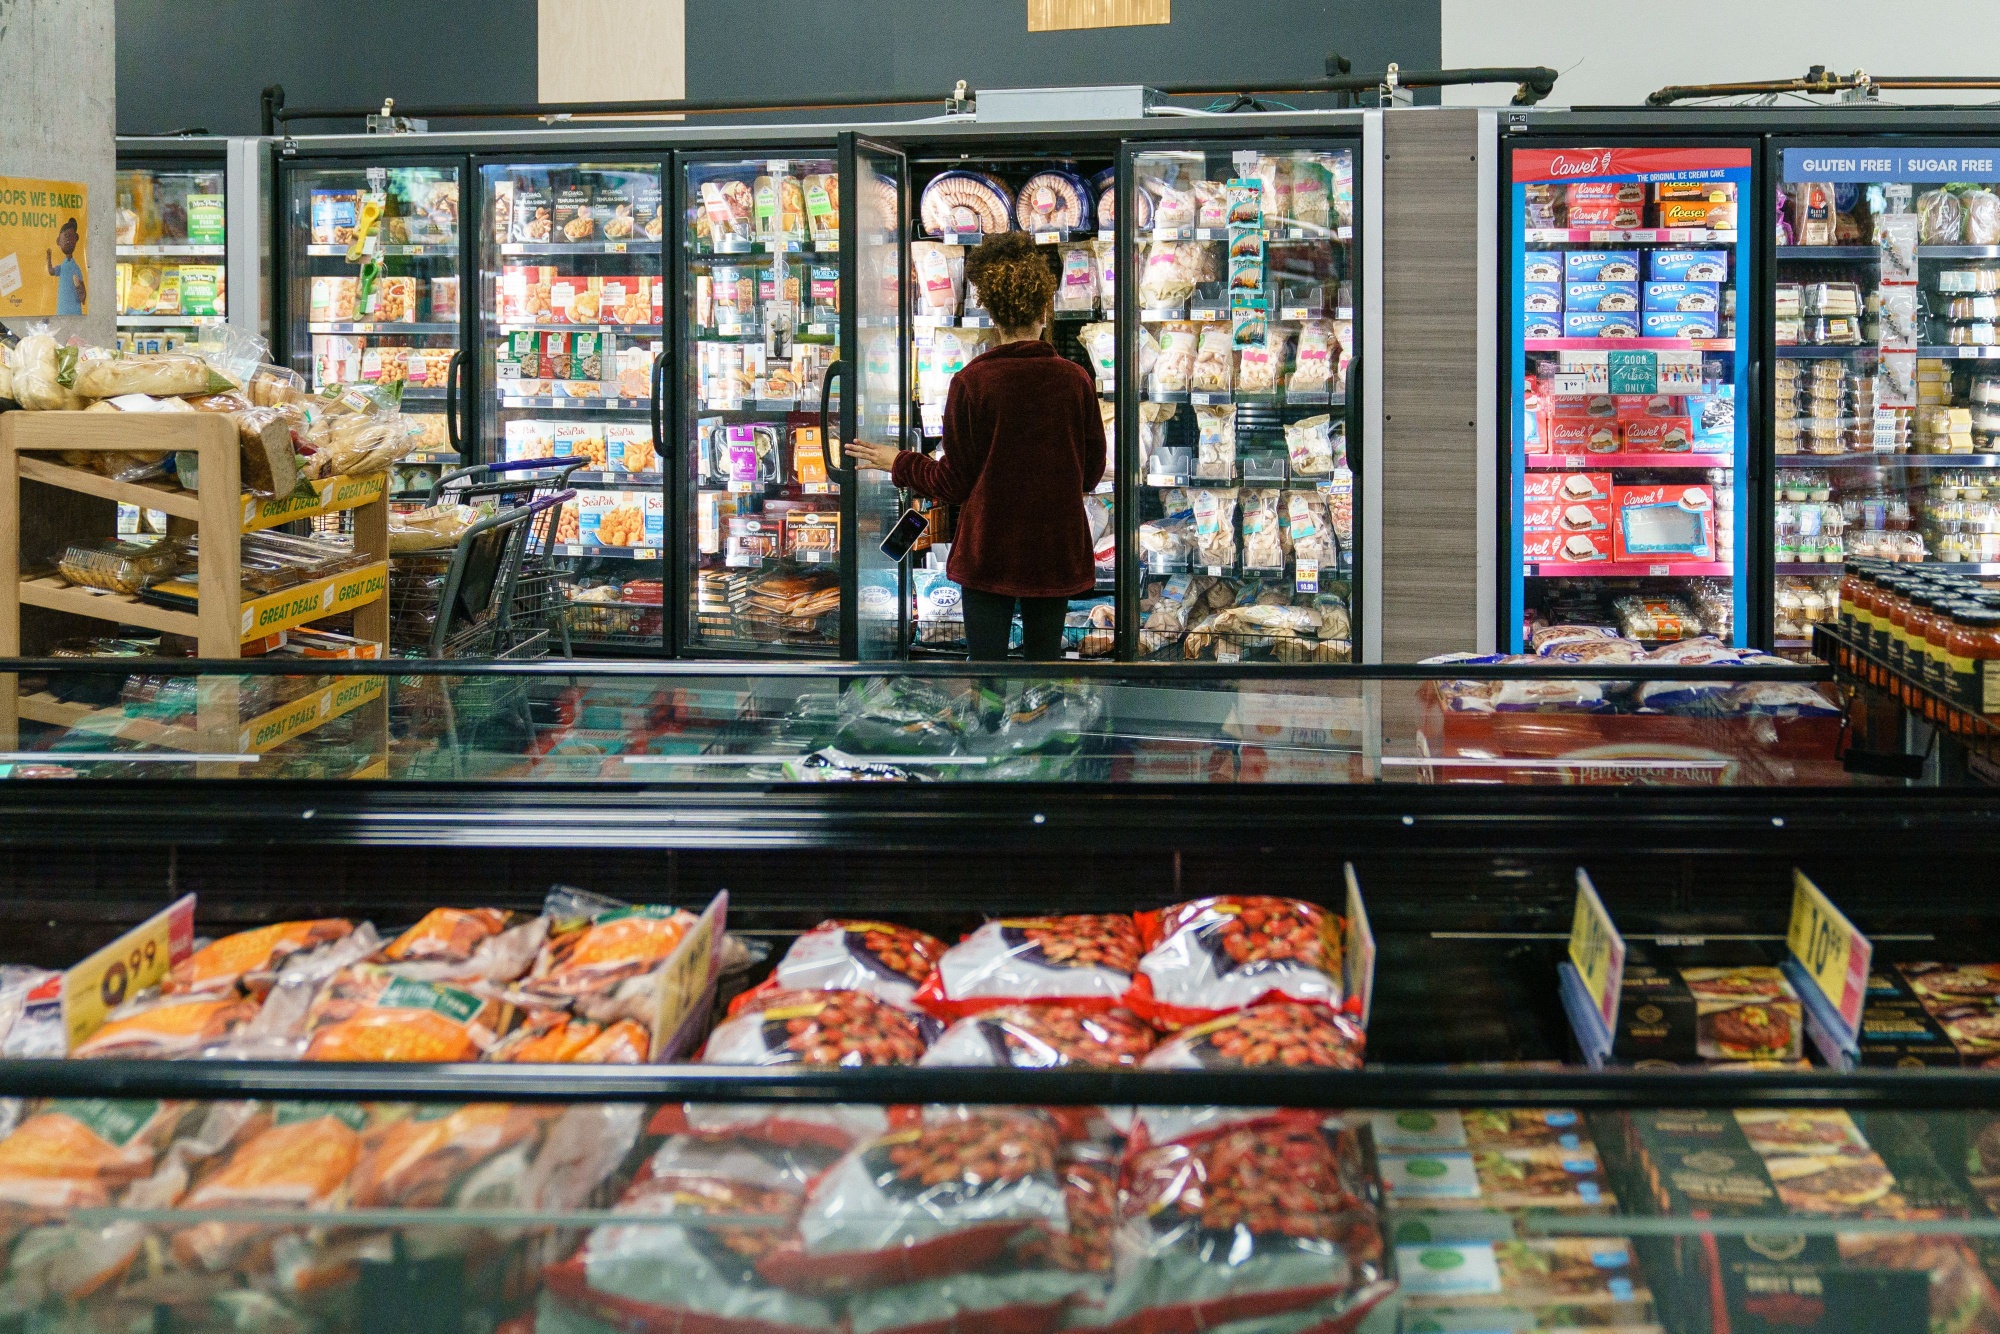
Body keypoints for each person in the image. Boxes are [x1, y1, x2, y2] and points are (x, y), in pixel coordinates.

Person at [847, 233, 1105, 660]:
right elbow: (1093, 472)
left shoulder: (971, 382)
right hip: (1056, 549)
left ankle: (990, 723)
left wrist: (899, 461)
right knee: (1044, 673)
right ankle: (1042, 726)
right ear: (1045, 308)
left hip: (990, 553)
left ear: (989, 311)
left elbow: (953, 482)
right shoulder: (1075, 379)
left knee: (987, 674)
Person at [46, 218, 84, 316]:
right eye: (65, 236)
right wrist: (49, 259)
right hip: (61, 310)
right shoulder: (62, 266)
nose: (67, 239)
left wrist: (82, 293)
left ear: (76, 238)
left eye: (70, 236)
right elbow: (51, 271)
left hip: (74, 312)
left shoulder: (75, 267)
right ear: (58, 241)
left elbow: (82, 288)